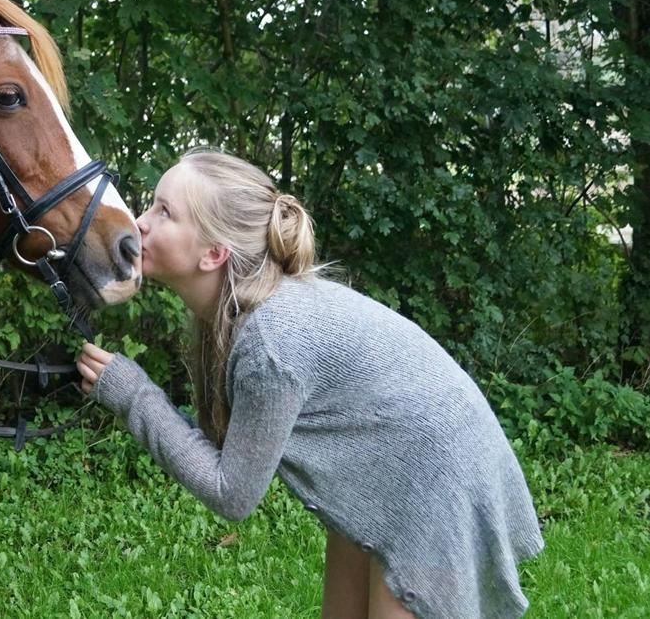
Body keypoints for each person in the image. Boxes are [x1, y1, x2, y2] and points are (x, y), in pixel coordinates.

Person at [75, 149, 544, 619]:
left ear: (214, 254)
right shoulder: (235, 313)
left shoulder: (271, 343)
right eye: (153, 205)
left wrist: (134, 395)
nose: (141, 222)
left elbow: (231, 492)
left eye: (165, 212)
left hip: (436, 475)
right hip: (378, 471)